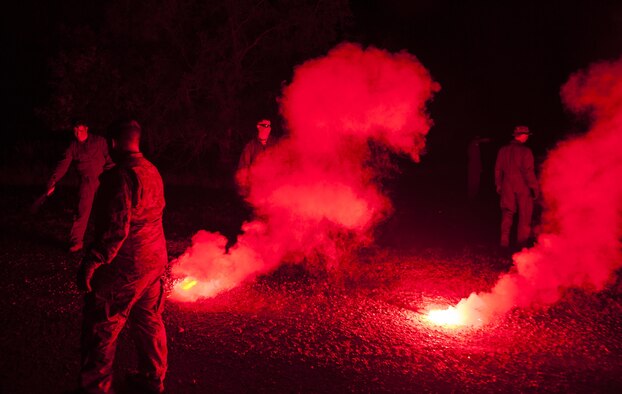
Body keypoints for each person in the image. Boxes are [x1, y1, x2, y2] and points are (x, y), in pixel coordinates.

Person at [76, 119, 168, 393]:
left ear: (114, 143)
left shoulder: (121, 177)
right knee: (148, 318)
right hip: (154, 262)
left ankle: (95, 388)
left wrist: (93, 261)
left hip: (128, 265)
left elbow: (115, 230)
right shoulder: (152, 170)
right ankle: (152, 379)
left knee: (102, 325)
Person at [46, 119, 114, 252]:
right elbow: (63, 165)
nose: (78, 133)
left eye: (80, 130)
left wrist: (113, 175)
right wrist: (53, 180)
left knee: (107, 211)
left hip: (102, 180)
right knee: (81, 211)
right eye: (75, 131)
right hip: (86, 182)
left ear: (87, 129)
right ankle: (76, 241)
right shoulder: (73, 146)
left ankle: (108, 241)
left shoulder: (99, 141)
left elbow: (109, 159)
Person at [495, 125, 540, 248]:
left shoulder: (503, 150)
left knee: (507, 213)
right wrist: (535, 188)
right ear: (523, 135)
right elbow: (529, 172)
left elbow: (498, 170)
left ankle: (504, 241)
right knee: (525, 214)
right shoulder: (526, 151)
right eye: (527, 135)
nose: (527, 138)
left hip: (507, 184)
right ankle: (522, 242)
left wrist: (499, 184)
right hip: (522, 185)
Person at [235, 118, 276, 195]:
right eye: (265, 125)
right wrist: (243, 187)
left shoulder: (274, 144)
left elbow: (281, 163)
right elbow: (243, 167)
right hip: (256, 187)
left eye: (269, 126)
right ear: (258, 126)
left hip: (272, 186)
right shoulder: (251, 146)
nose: (267, 128)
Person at [467, 135, 492, 200]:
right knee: (473, 181)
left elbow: (478, 158)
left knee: (476, 181)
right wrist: (484, 139)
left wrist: (480, 167)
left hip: (476, 167)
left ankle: (474, 196)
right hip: (473, 167)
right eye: (477, 137)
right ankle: (471, 196)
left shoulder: (477, 146)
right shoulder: (472, 144)